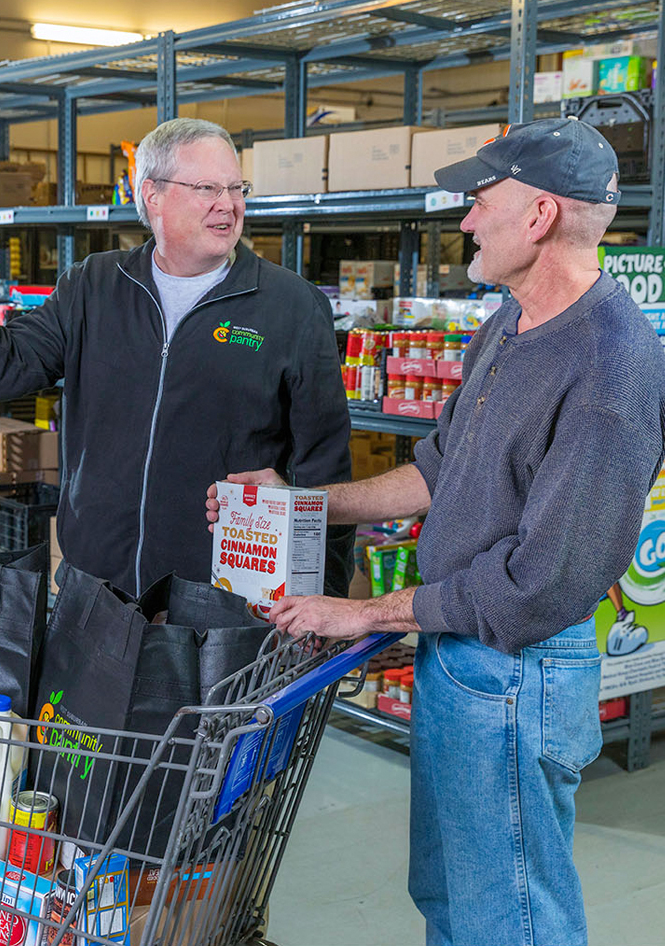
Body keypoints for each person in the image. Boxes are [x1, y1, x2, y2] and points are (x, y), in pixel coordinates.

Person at [206, 118, 665, 946]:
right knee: (451, 898)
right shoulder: (509, 325)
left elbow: (539, 586)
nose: (464, 221)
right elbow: (437, 470)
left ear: (539, 215)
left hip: (517, 674)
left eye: (480, 200)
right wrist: (297, 502)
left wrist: (365, 614)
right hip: (458, 655)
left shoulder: (608, 367)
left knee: (511, 919)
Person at [0, 117, 353, 597]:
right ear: (152, 195)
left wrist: (324, 598)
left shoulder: (292, 306)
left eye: (236, 187)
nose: (228, 205)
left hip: (222, 604)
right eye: (207, 188)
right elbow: (3, 372)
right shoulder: (93, 286)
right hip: (95, 593)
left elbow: (323, 467)